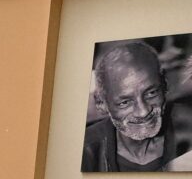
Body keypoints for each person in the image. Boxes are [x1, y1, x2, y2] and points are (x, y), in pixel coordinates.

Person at [82, 41, 192, 172]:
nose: (143, 112)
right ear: (101, 103)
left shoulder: (186, 126)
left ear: (165, 85)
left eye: (151, 93)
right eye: (125, 102)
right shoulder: (87, 152)